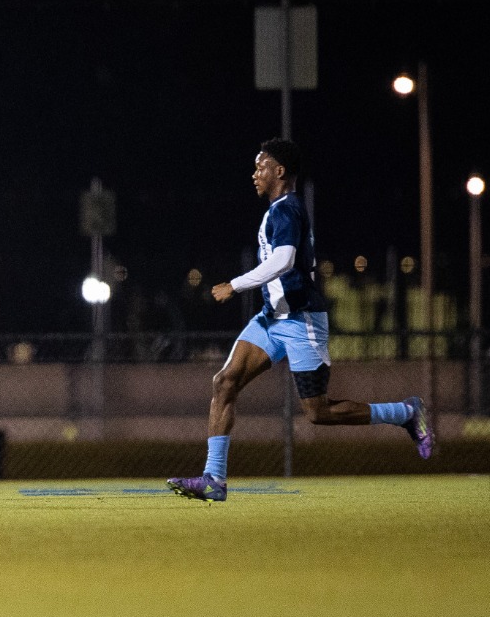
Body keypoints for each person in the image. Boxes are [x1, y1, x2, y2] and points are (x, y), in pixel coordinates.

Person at [169, 139, 433, 502]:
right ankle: (214, 478)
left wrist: (236, 284)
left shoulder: (287, 209)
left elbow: (284, 260)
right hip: (271, 319)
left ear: (279, 172)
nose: (254, 173)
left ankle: (405, 412)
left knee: (318, 412)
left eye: (261, 166)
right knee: (225, 382)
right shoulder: (278, 209)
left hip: (300, 320)